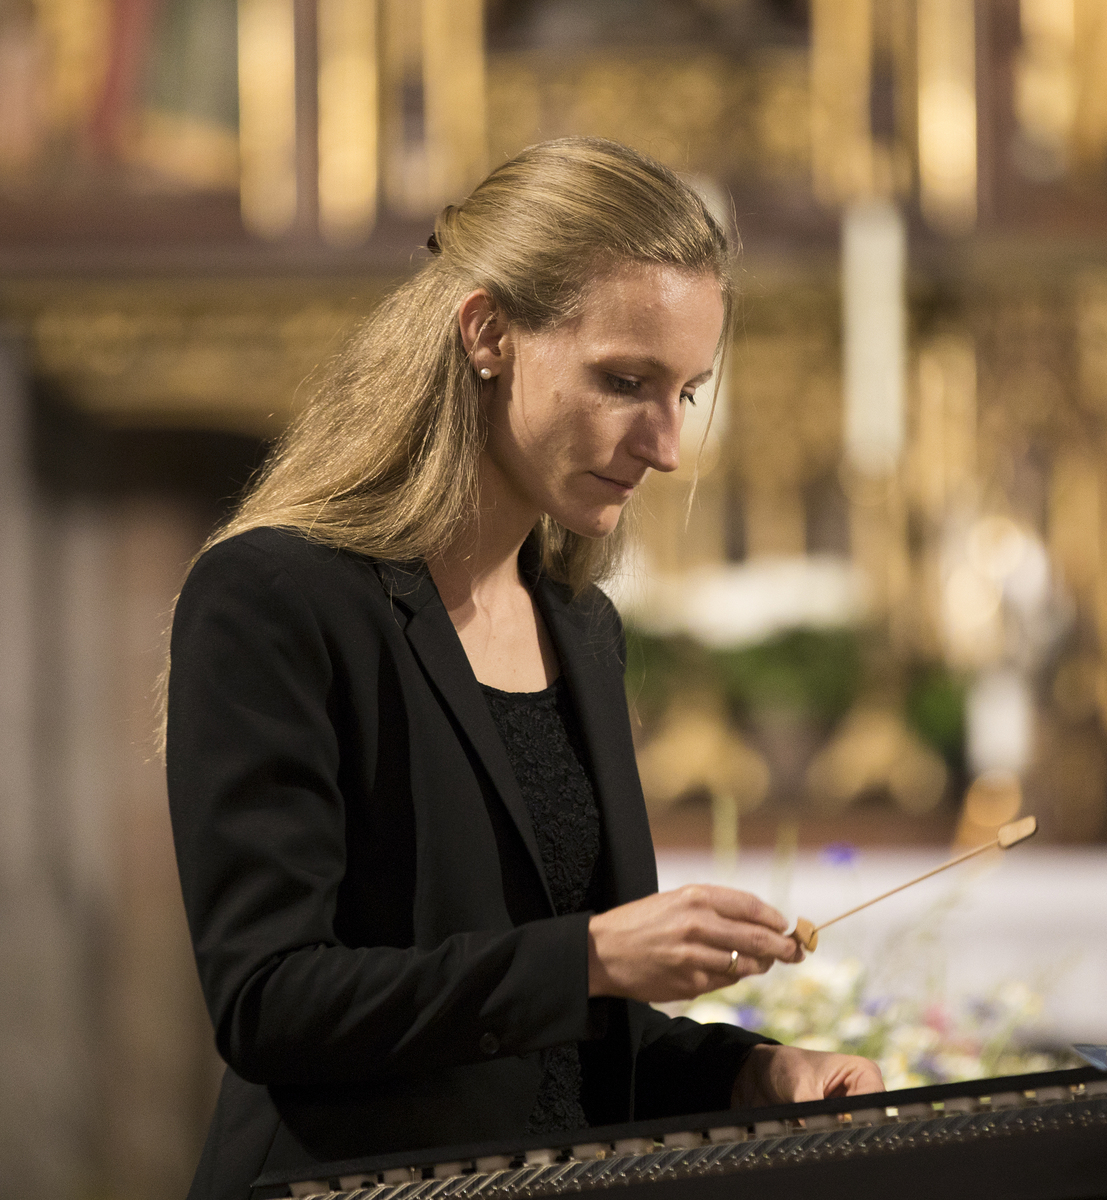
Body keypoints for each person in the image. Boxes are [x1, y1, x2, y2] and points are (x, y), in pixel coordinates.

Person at [164, 138, 883, 1200]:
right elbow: (270, 1003)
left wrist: (751, 1074)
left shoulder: (581, 628)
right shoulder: (275, 596)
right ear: (488, 333)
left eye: (687, 392)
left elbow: (564, 1047)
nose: (666, 445)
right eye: (625, 382)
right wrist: (590, 956)